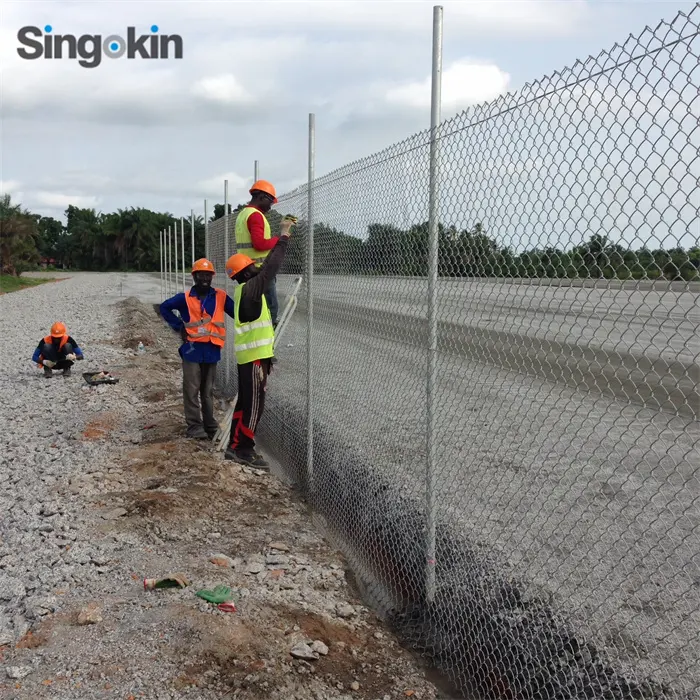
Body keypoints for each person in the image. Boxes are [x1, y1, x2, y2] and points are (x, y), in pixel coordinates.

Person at [223, 214, 296, 469]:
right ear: (245, 271)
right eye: (252, 265)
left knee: (245, 402)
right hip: (254, 359)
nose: (257, 266)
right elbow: (271, 267)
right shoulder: (252, 288)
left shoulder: (245, 290)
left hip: (251, 357)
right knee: (254, 405)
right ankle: (244, 449)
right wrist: (284, 236)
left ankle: (234, 445)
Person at [159, 258, 236, 440]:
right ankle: (194, 426)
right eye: (201, 275)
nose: (204, 278)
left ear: (212, 277)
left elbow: (237, 312)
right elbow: (164, 307)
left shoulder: (220, 296)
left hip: (211, 350)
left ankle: (209, 424)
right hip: (192, 351)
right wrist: (179, 326)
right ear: (194, 276)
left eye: (208, 275)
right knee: (191, 389)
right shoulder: (185, 298)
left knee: (207, 390)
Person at [233, 179, 284, 329]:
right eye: (270, 202)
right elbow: (259, 244)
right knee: (271, 308)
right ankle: (268, 338)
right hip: (259, 269)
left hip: (246, 270)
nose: (270, 206)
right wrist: (279, 239)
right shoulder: (256, 216)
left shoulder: (243, 214)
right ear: (262, 197)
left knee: (256, 309)